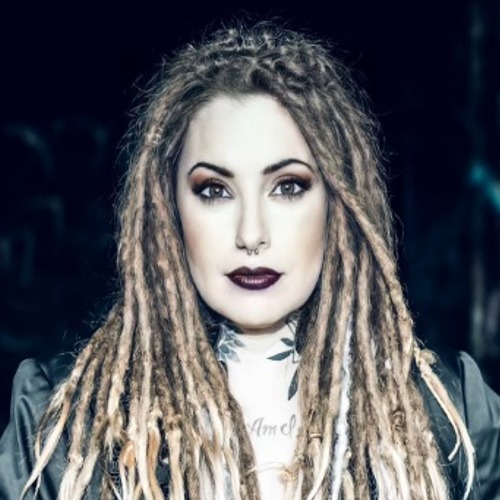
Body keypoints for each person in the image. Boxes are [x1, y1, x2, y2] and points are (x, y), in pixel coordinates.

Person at [0, 21, 499, 500]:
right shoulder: (56, 431)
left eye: (288, 186)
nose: (251, 234)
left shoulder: (457, 421)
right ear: (169, 209)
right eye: (214, 190)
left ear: (338, 206)